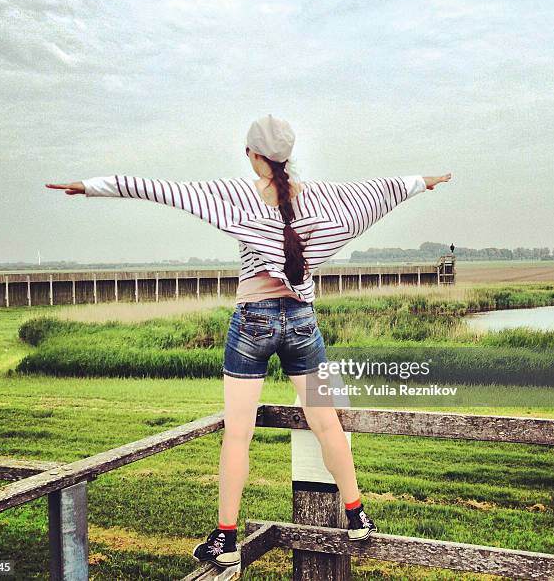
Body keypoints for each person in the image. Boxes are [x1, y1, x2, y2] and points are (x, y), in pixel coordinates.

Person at [46, 114, 452, 569]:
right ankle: (357, 516)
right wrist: (423, 182)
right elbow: (381, 191)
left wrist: (91, 186)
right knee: (327, 423)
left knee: (238, 433)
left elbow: (160, 189)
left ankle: (226, 539)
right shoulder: (321, 198)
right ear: (288, 156)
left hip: (251, 325)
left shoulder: (240, 196)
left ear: (253, 156)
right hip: (303, 325)